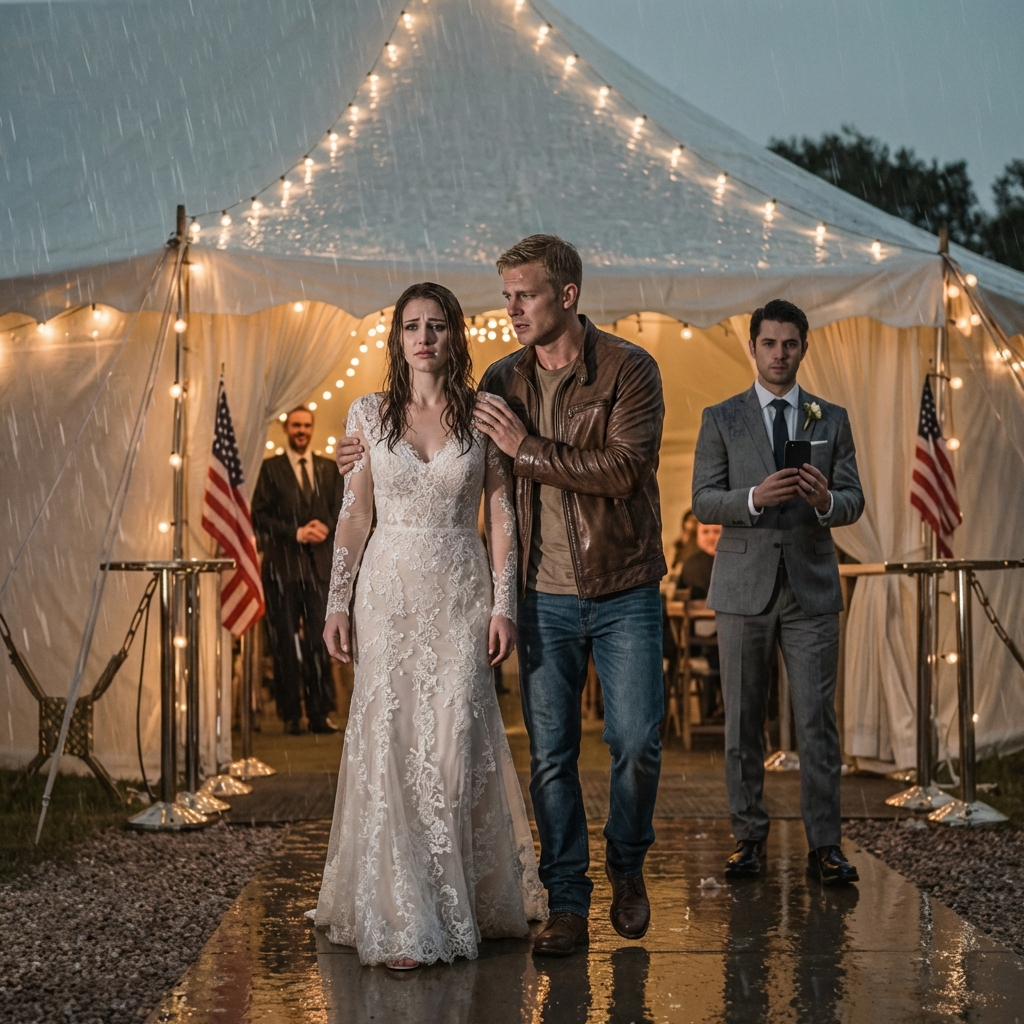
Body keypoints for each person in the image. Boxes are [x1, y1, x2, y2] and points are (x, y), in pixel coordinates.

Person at [334, 236, 667, 958]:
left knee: (636, 743)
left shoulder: (630, 370)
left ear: (567, 296)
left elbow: (624, 469)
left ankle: (627, 860)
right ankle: (568, 901)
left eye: (525, 295)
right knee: (548, 754)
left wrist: (528, 450)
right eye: (506, 295)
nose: (510, 309)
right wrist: (353, 458)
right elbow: (395, 494)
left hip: (620, 583)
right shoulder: (498, 382)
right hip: (530, 591)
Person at [314, 282, 544, 969]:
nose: (424, 337)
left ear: (454, 336)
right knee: (390, 737)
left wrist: (505, 603)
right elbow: (355, 515)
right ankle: (400, 912)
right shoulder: (367, 413)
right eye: (412, 326)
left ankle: (458, 897)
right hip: (387, 591)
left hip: (459, 593)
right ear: (398, 338)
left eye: (437, 326)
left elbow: (501, 513)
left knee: (452, 741)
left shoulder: (484, 415)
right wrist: (335, 600)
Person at [691, 298, 864, 887]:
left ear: (803, 347)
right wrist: (751, 499)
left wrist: (823, 502)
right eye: (769, 343)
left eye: (790, 344)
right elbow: (702, 499)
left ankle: (825, 846)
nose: (780, 354)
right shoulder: (721, 417)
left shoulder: (830, 418)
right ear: (753, 347)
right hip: (742, 588)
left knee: (817, 721)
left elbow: (853, 500)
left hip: (812, 589)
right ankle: (749, 839)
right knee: (742, 721)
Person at [252, 407, 344, 735]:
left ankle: (320, 714)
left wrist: (327, 526)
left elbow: (344, 509)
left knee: (320, 642)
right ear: (286, 429)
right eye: (296, 426)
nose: (302, 431)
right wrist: (295, 532)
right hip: (282, 568)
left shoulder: (329, 469)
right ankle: (291, 715)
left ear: (312, 427)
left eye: (306, 425)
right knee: (284, 644)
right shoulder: (269, 469)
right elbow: (259, 516)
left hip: (319, 568)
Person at [679, 521, 721, 599]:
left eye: (716, 531)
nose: (711, 537)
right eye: (705, 532)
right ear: (697, 535)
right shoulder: (690, 564)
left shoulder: (736, 561)